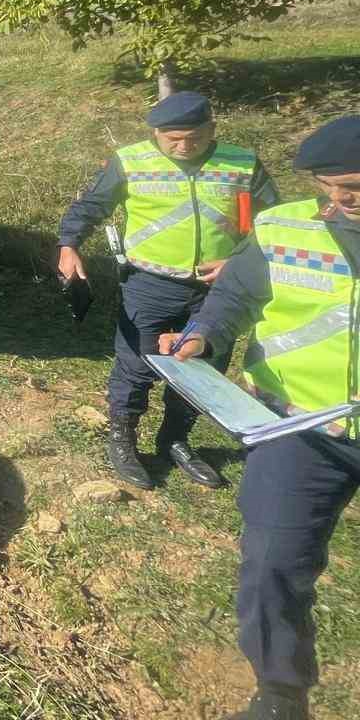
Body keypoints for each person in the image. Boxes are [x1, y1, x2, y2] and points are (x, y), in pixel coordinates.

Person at [163, 115, 360, 720]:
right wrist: (202, 334)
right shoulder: (283, 228)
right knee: (273, 558)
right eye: (331, 188)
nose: (341, 202)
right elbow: (234, 295)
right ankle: (280, 694)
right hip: (299, 427)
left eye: (354, 189)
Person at [57, 91, 276, 490]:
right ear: (156, 133)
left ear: (212, 129)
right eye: (173, 139)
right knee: (136, 364)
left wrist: (238, 262)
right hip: (149, 285)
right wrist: (69, 243)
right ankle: (123, 438)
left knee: (202, 368)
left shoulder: (242, 163)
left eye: (195, 137)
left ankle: (175, 439)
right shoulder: (131, 161)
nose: (184, 146)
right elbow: (92, 204)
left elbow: (272, 222)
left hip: (219, 290)